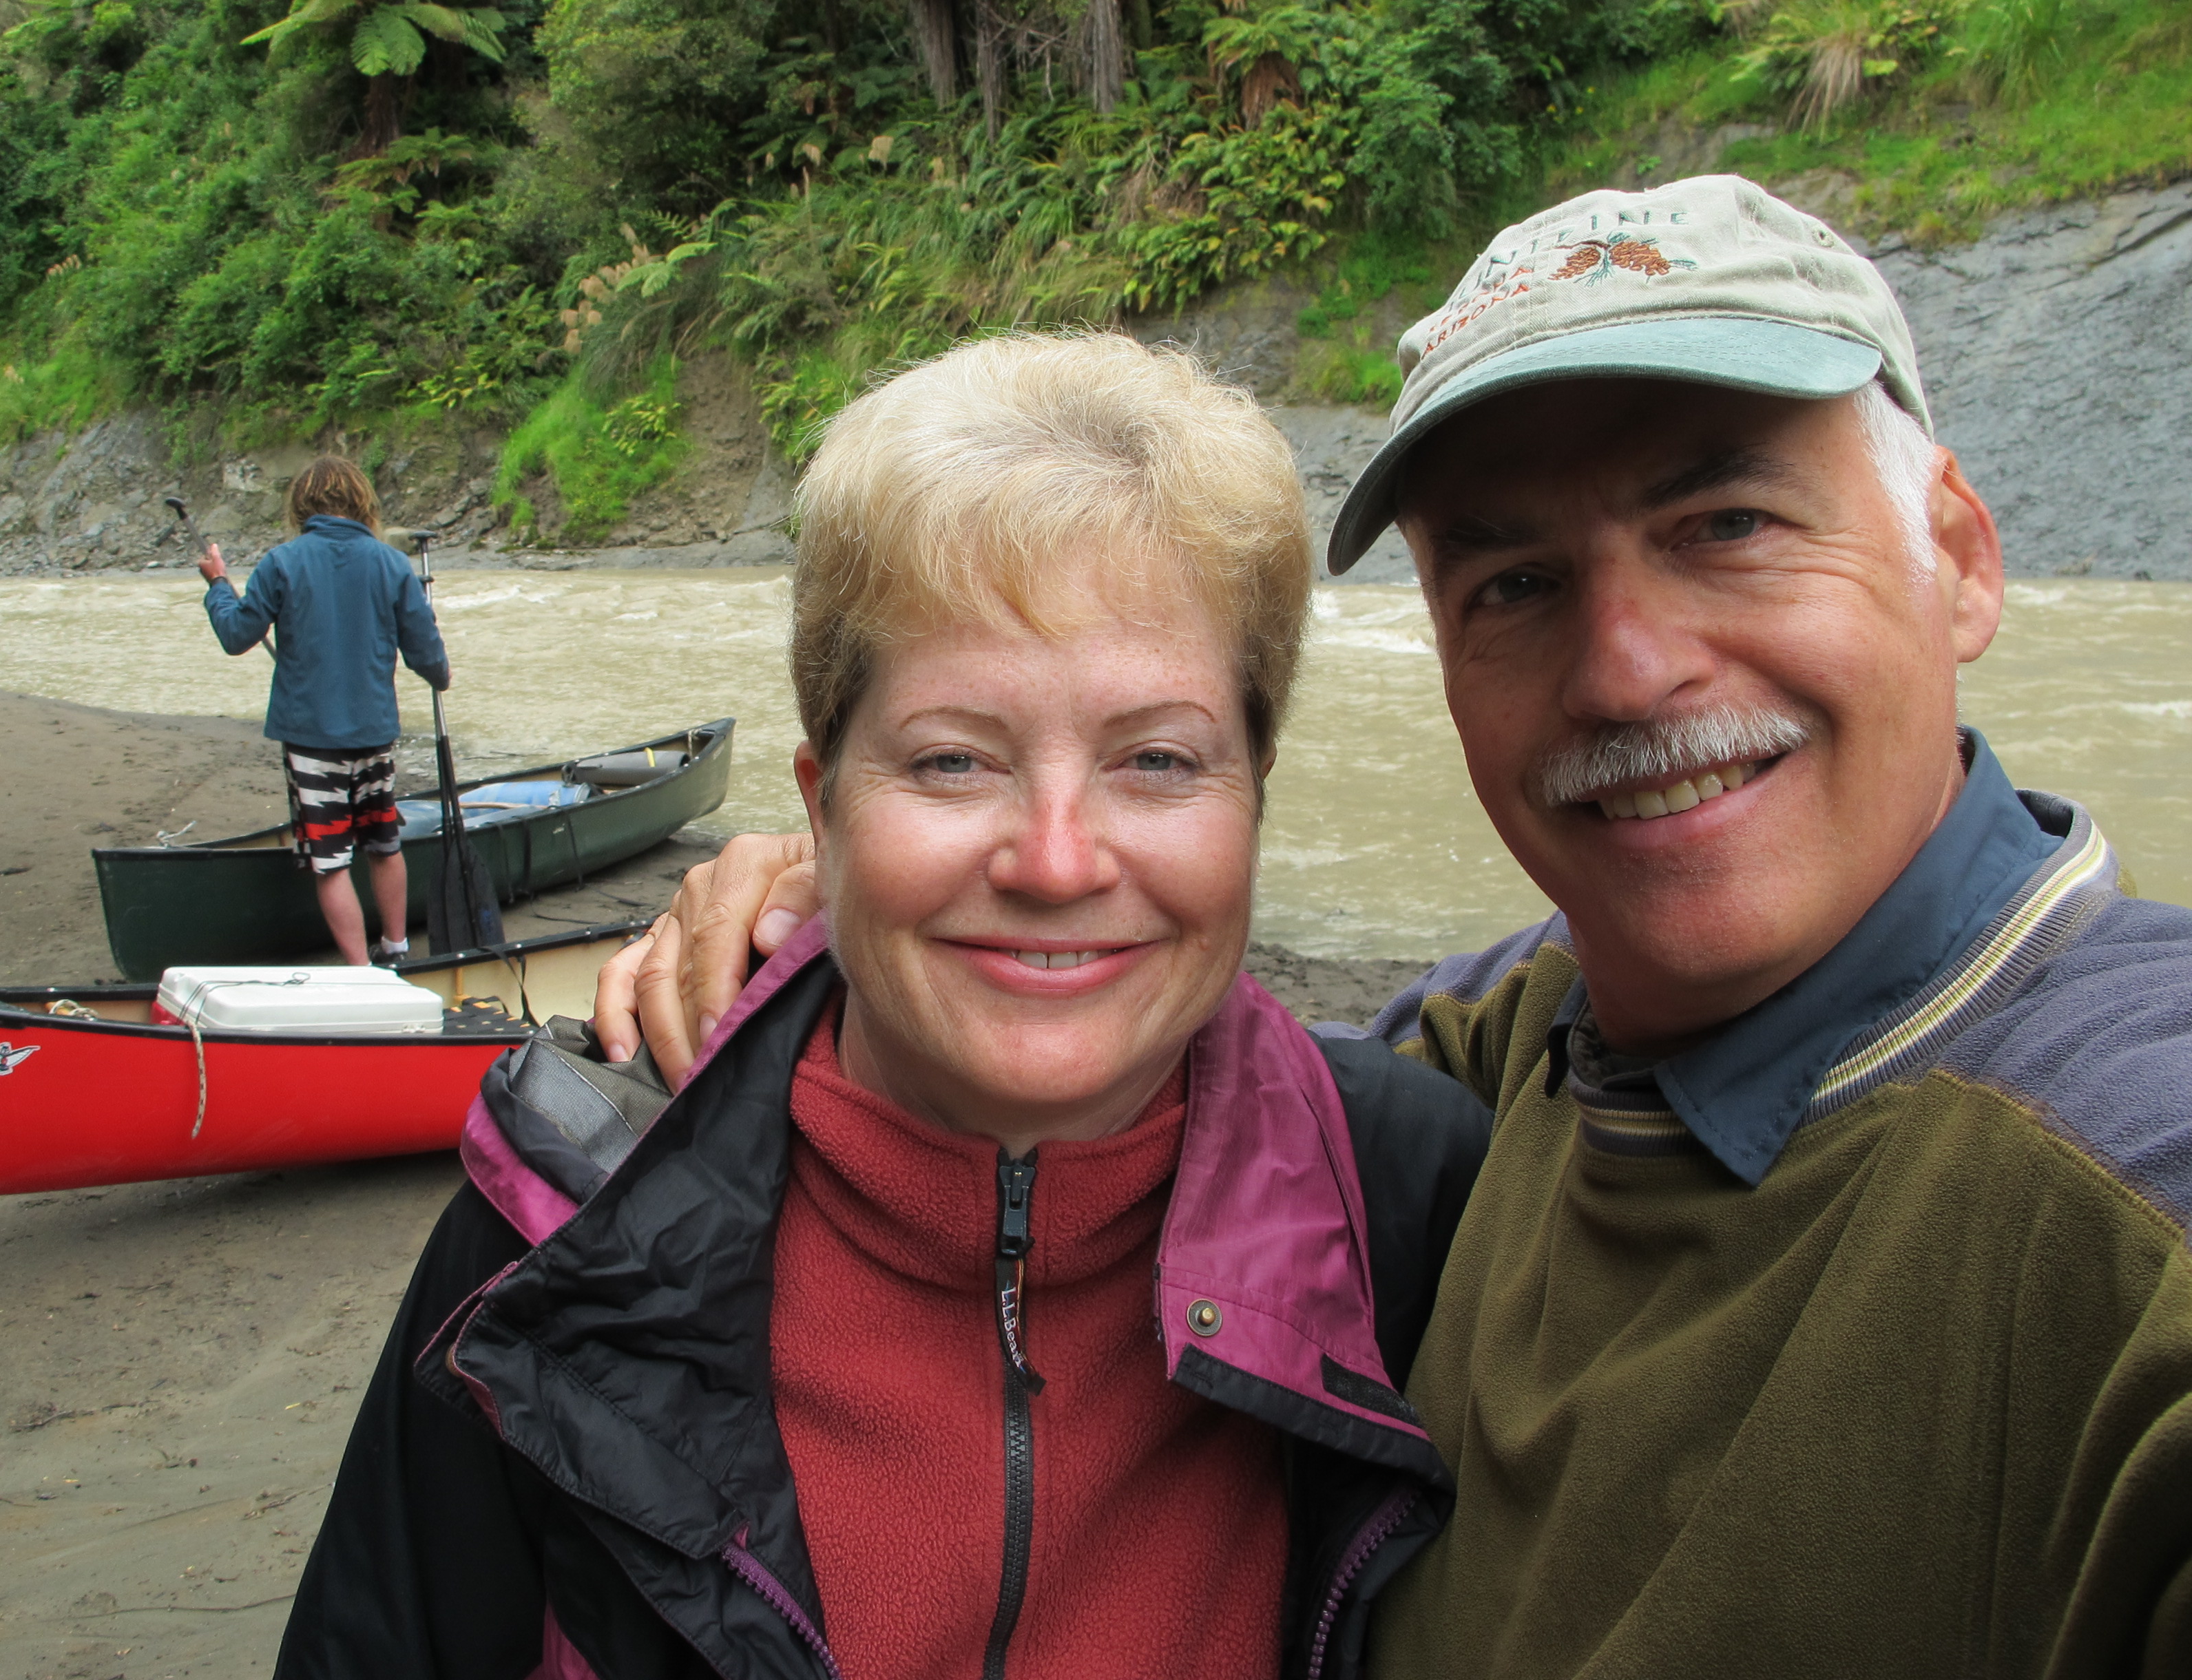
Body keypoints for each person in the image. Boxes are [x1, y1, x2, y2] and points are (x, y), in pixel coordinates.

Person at [596, 176, 2192, 1677]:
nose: (1630, 666)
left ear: (1964, 558)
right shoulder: (1530, 1042)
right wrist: (872, 898)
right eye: (1513, 580)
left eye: (1729, 525)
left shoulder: (2126, 1181)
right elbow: (1197, 1090)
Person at [273, 333, 1491, 1679]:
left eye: (1157, 759)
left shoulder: (1409, 1204)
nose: (1057, 859)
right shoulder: (561, 1235)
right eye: (953, 760)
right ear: (822, 805)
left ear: (1254, 794)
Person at [199, 455, 450, 967]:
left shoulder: (282, 563)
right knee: (384, 843)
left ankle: (360, 972)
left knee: (331, 859)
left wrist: (218, 587)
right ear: (362, 503)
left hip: (313, 739)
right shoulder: (391, 564)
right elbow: (426, 652)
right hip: (374, 731)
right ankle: (397, 947)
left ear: (302, 505)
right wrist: (441, 676)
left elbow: (236, 635)